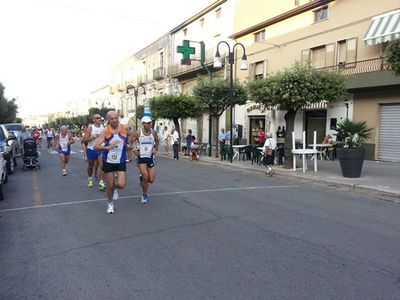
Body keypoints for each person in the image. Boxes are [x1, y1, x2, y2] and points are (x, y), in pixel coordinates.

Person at [94, 111, 128, 214]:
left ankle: (115, 188)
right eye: (111, 119)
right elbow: (96, 146)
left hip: (121, 160)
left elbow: (130, 138)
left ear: (118, 118)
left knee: (121, 185)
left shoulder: (124, 128)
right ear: (108, 120)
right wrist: (108, 147)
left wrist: (130, 145)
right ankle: (110, 204)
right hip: (108, 161)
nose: (114, 120)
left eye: (115, 118)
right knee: (110, 184)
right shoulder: (105, 131)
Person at [130, 116, 159, 204]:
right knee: (145, 177)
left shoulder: (153, 132)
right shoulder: (138, 133)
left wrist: (155, 148)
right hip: (141, 157)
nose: (148, 124)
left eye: (149, 122)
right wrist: (135, 151)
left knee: (151, 180)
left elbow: (157, 141)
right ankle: (144, 195)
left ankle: (142, 179)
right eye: (146, 123)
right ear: (142, 123)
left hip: (150, 157)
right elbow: (130, 142)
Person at [83, 114, 106, 190]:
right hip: (91, 149)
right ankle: (90, 178)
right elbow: (84, 140)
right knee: (90, 166)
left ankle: (101, 182)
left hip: (100, 149)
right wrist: (93, 137)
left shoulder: (103, 127)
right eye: (97, 118)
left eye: (100, 118)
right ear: (93, 120)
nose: (99, 119)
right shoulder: (90, 127)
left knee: (102, 165)